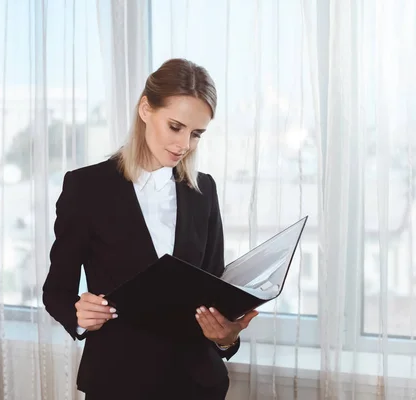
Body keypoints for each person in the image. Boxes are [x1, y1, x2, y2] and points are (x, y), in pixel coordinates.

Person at [42, 58, 258, 400]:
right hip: (119, 383)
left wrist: (226, 336)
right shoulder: (86, 188)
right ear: (146, 109)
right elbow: (56, 291)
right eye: (176, 126)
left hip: (198, 385)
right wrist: (80, 315)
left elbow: (215, 291)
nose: (185, 144)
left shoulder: (204, 191)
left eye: (196, 133)